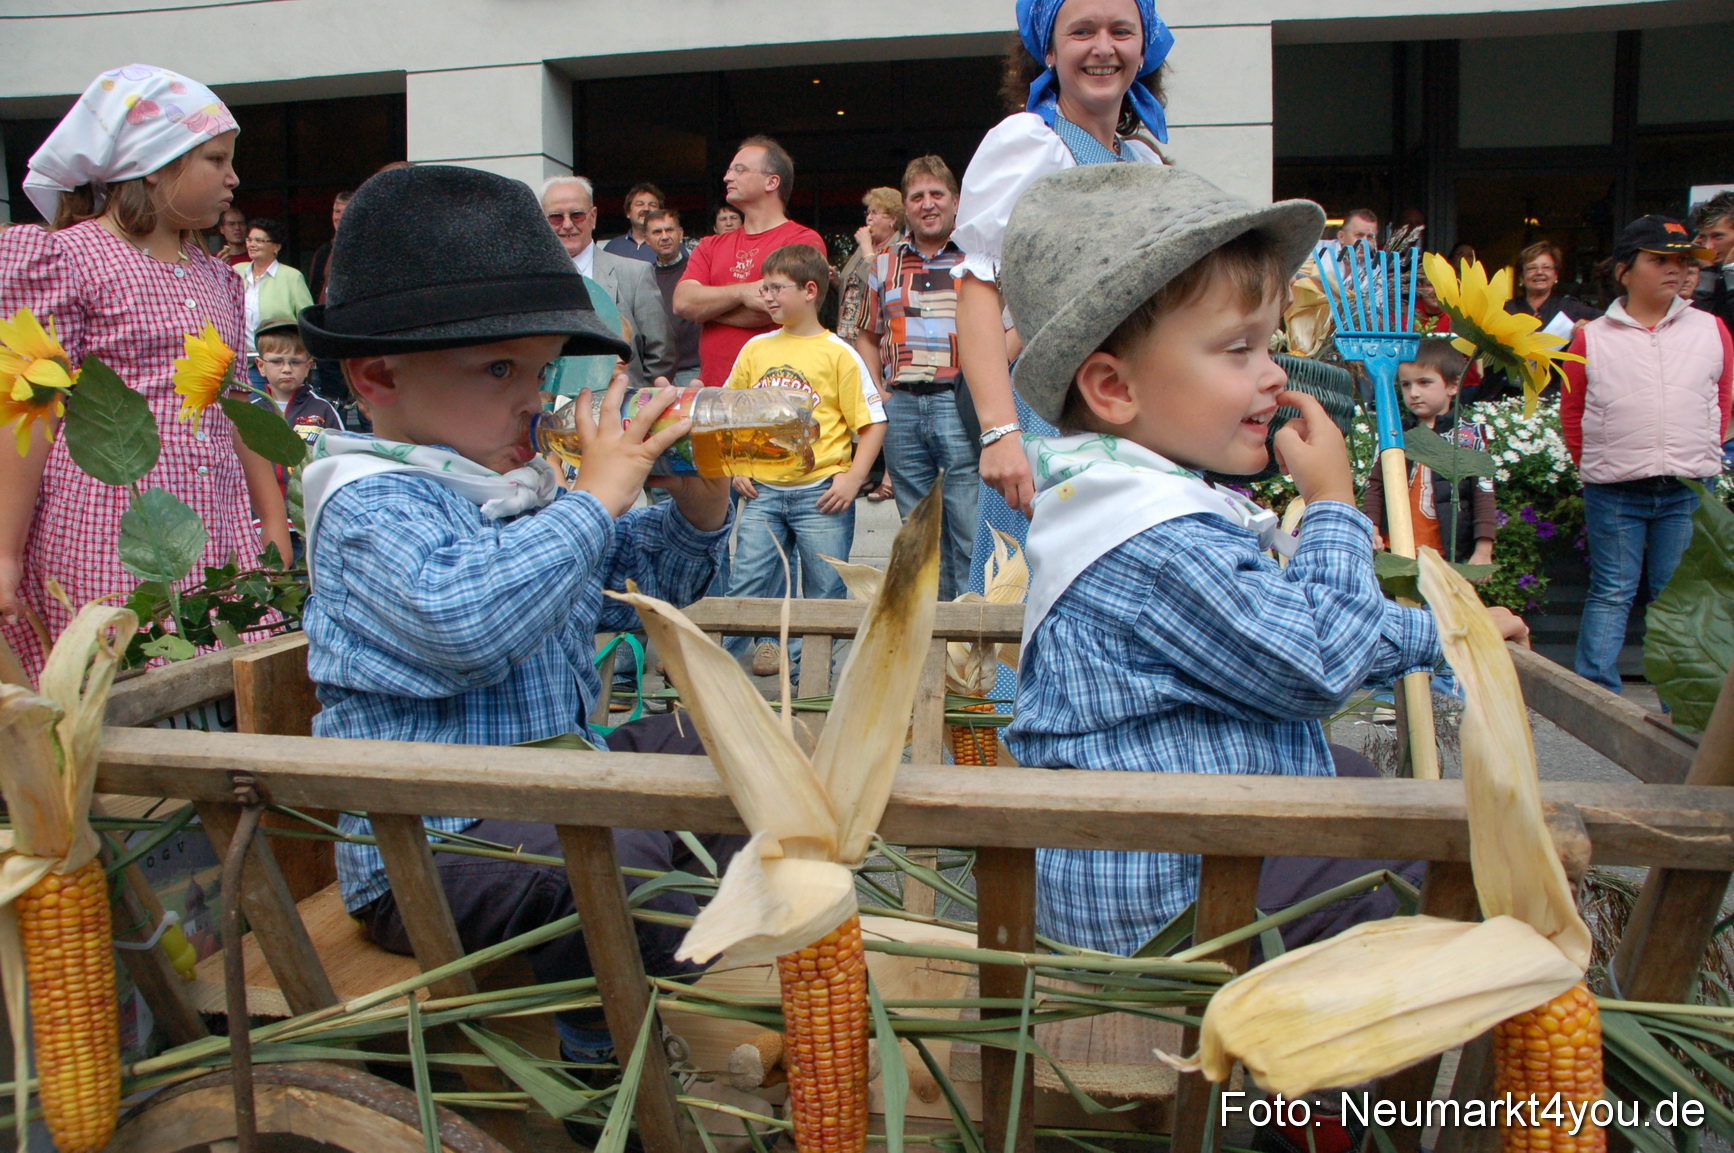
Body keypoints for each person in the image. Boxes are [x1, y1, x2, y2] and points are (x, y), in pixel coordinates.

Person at [996, 162, 1530, 959]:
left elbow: (1298, 622)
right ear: (1113, 388)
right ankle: (1317, 1084)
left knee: (1351, 777)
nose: (1275, 373)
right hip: (1167, 901)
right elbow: (1314, 656)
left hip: (1165, 855)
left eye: (1271, 343)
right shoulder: (1152, 538)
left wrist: (1452, 637)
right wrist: (1335, 507)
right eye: (1239, 349)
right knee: (1425, 859)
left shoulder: (1129, 499)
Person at [293, 164, 738, 1094]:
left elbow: (653, 580)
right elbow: (468, 623)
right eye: (500, 370)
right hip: (432, 849)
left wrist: (692, 498)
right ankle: (601, 1065)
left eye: (538, 371)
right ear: (378, 375)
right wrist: (596, 499)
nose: (532, 397)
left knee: (723, 746)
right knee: (619, 856)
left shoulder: (514, 485)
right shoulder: (369, 502)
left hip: (547, 796)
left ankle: (675, 953)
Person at [0, 64, 290, 678]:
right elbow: (28, 409)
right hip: (110, 521)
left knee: (221, 688)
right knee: (125, 685)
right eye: (215, 159)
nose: (234, 178)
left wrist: (270, 519)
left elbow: (236, 404)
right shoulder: (64, 258)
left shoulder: (216, 276)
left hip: (217, 522)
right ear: (153, 164)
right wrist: (5, 549)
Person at [954, 0, 1172, 533]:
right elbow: (979, 289)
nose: (1103, 47)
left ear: (1143, 48)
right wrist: (1000, 433)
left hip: (1138, 412)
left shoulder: (1144, 162)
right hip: (1054, 414)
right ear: (1049, 50)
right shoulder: (1028, 144)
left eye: (1122, 30)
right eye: (1082, 31)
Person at [1560, 215, 1732, 694]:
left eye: (1681, 260)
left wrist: (1697, 454)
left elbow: (1721, 401)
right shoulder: (1590, 337)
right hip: (1614, 490)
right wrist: (1599, 465)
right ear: (1624, 271)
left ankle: (1680, 701)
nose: (1674, 270)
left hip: (1687, 487)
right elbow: (1571, 413)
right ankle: (1594, 696)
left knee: (1675, 598)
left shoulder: (1712, 329)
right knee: (1612, 592)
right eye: (1659, 260)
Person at [722, 244, 886, 677]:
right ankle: (716, 673)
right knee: (747, 585)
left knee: (825, 593)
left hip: (821, 494)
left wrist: (853, 478)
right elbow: (728, 412)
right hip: (761, 491)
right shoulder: (755, 349)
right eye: (764, 287)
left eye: (776, 287)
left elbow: (873, 423)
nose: (767, 296)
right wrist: (737, 465)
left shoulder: (838, 353)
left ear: (810, 290)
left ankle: (810, 682)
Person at [857, 155, 978, 598]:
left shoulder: (978, 260)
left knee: (967, 528)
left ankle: (969, 647)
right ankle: (932, 643)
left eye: (937, 195)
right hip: (902, 407)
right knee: (919, 533)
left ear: (955, 201)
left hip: (959, 403)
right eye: (917, 197)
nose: (928, 204)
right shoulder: (883, 264)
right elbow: (866, 335)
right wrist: (879, 393)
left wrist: (982, 383)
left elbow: (1013, 328)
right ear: (905, 207)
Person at [674, 136, 827, 387]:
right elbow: (682, 302)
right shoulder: (710, 245)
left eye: (740, 170)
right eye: (729, 169)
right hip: (714, 394)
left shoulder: (802, 241)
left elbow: (777, 309)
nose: (727, 177)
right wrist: (742, 293)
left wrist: (707, 312)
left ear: (772, 181)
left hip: (775, 396)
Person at [1360, 339, 1496, 567]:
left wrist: (1483, 550)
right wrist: (1371, 527)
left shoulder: (1469, 435)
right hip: (1393, 547)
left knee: (1440, 604)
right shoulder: (1393, 431)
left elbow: (1483, 493)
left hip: (1447, 553)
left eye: (1424, 383)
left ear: (1453, 386)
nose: (1414, 393)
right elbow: (1375, 484)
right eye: (1406, 384)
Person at [541, 175, 675, 388]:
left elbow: (660, 353)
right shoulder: (532, 282)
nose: (567, 225)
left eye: (577, 215)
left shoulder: (635, 273)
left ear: (593, 217)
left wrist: (638, 403)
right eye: (556, 217)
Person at [250, 316, 341, 557]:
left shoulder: (323, 411)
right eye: (277, 361)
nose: (287, 368)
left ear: (309, 365)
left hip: (309, 525)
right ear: (260, 366)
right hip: (260, 524)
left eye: (295, 361)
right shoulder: (250, 412)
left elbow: (341, 463)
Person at [239, 217, 313, 387]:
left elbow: (306, 320)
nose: (252, 244)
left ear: (276, 246)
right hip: (243, 363)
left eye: (259, 240)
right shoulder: (236, 272)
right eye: (249, 239)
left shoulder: (291, 277)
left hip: (281, 363)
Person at [835, 186, 904, 344]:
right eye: (868, 212)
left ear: (892, 219)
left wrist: (867, 249)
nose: (868, 219)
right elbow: (854, 288)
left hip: (872, 338)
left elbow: (880, 286)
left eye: (875, 213)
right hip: (846, 333)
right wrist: (835, 281)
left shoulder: (899, 248)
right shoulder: (863, 247)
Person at [644, 208, 702, 386]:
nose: (664, 236)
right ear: (647, 240)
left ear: (680, 233)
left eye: (669, 230)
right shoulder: (644, 276)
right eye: (657, 232)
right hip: (657, 374)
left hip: (694, 369)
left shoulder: (698, 269)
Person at [1691, 191, 1734, 335]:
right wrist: (1704, 271)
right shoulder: (1711, 270)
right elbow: (1701, 332)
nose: (1708, 246)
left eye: (1717, 236)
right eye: (1703, 237)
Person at [306, 189, 350, 304]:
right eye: (337, 211)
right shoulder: (324, 252)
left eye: (345, 212)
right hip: (326, 315)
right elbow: (314, 289)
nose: (339, 217)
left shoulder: (366, 248)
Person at [602, 182, 664, 262]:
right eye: (639, 204)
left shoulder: (671, 246)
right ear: (628, 213)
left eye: (652, 205)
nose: (646, 208)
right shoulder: (612, 248)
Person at [1314, 207, 1379, 262]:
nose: (1365, 242)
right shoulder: (1314, 252)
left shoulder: (1373, 270)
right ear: (1341, 237)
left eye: (1370, 237)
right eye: (1359, 235)